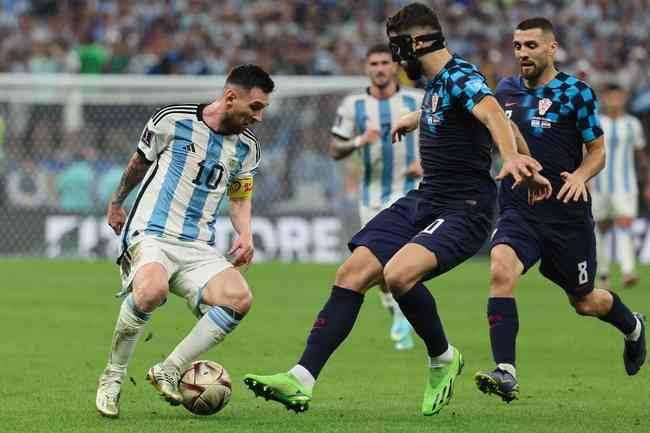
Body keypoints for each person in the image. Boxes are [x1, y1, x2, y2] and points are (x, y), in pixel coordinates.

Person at [244, 3, 549, 416]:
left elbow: (493, 112)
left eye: (399, 48)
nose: (398, 58)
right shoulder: (440, 85)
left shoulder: (461, 75)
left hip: (466, 206)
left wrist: (512, 158)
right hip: (426, 197)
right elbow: (457, 112)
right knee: (351, 273)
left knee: (398, 275)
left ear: (418, 44)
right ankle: (301, 379)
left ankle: (442, 358)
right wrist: (414, 116)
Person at [474, 18, 646, 403]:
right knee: (501, 267)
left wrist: (580, 176)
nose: (522, 53)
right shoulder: (504, 91)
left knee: (585, 301)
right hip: (519, 208)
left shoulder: (576, 92)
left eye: (531, 45)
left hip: (566, 216)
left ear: (552, 49)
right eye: (517, 45)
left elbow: (597, 151)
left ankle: (633, 326)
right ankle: (506, 372)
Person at [95, 64, 274, 418]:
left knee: (239, 299)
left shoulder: (248, 148)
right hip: (151, 233)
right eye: (255, 107)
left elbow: (239, 198)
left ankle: (170, 369)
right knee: (150, 291)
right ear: (230, 97)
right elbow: (138, 164)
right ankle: (112, 378)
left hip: (197, 245)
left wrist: (245, 233)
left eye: (263, 109)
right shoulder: (172, 120)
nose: (259, 117)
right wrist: (117, 202)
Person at [329, 43, 424, 351]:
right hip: (369, 196)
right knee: (379, 267)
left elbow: (444, 135)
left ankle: (405, 317)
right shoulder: (352, 105)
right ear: (366, 68)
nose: (380, 68)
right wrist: (359, 141)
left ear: (395, 66)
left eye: (385, 62)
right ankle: (398, 315)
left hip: (410, 192)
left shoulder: (417, 100)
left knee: (400, 259)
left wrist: (425, 163)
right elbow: (335, 149)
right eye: (374, 63)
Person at [592, 83, 649, 289]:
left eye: (618, 96)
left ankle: (627, 271)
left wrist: (647, 183)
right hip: (598, 184)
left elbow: (640, 155)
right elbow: (585, 152)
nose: (615, 100)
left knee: (625, 223)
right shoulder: (596, 122)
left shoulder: (632, 124)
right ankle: (604, 274)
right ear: (604, 98)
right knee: (602, 228)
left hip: (625, 186)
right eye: (610, 96)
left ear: (624, 98)